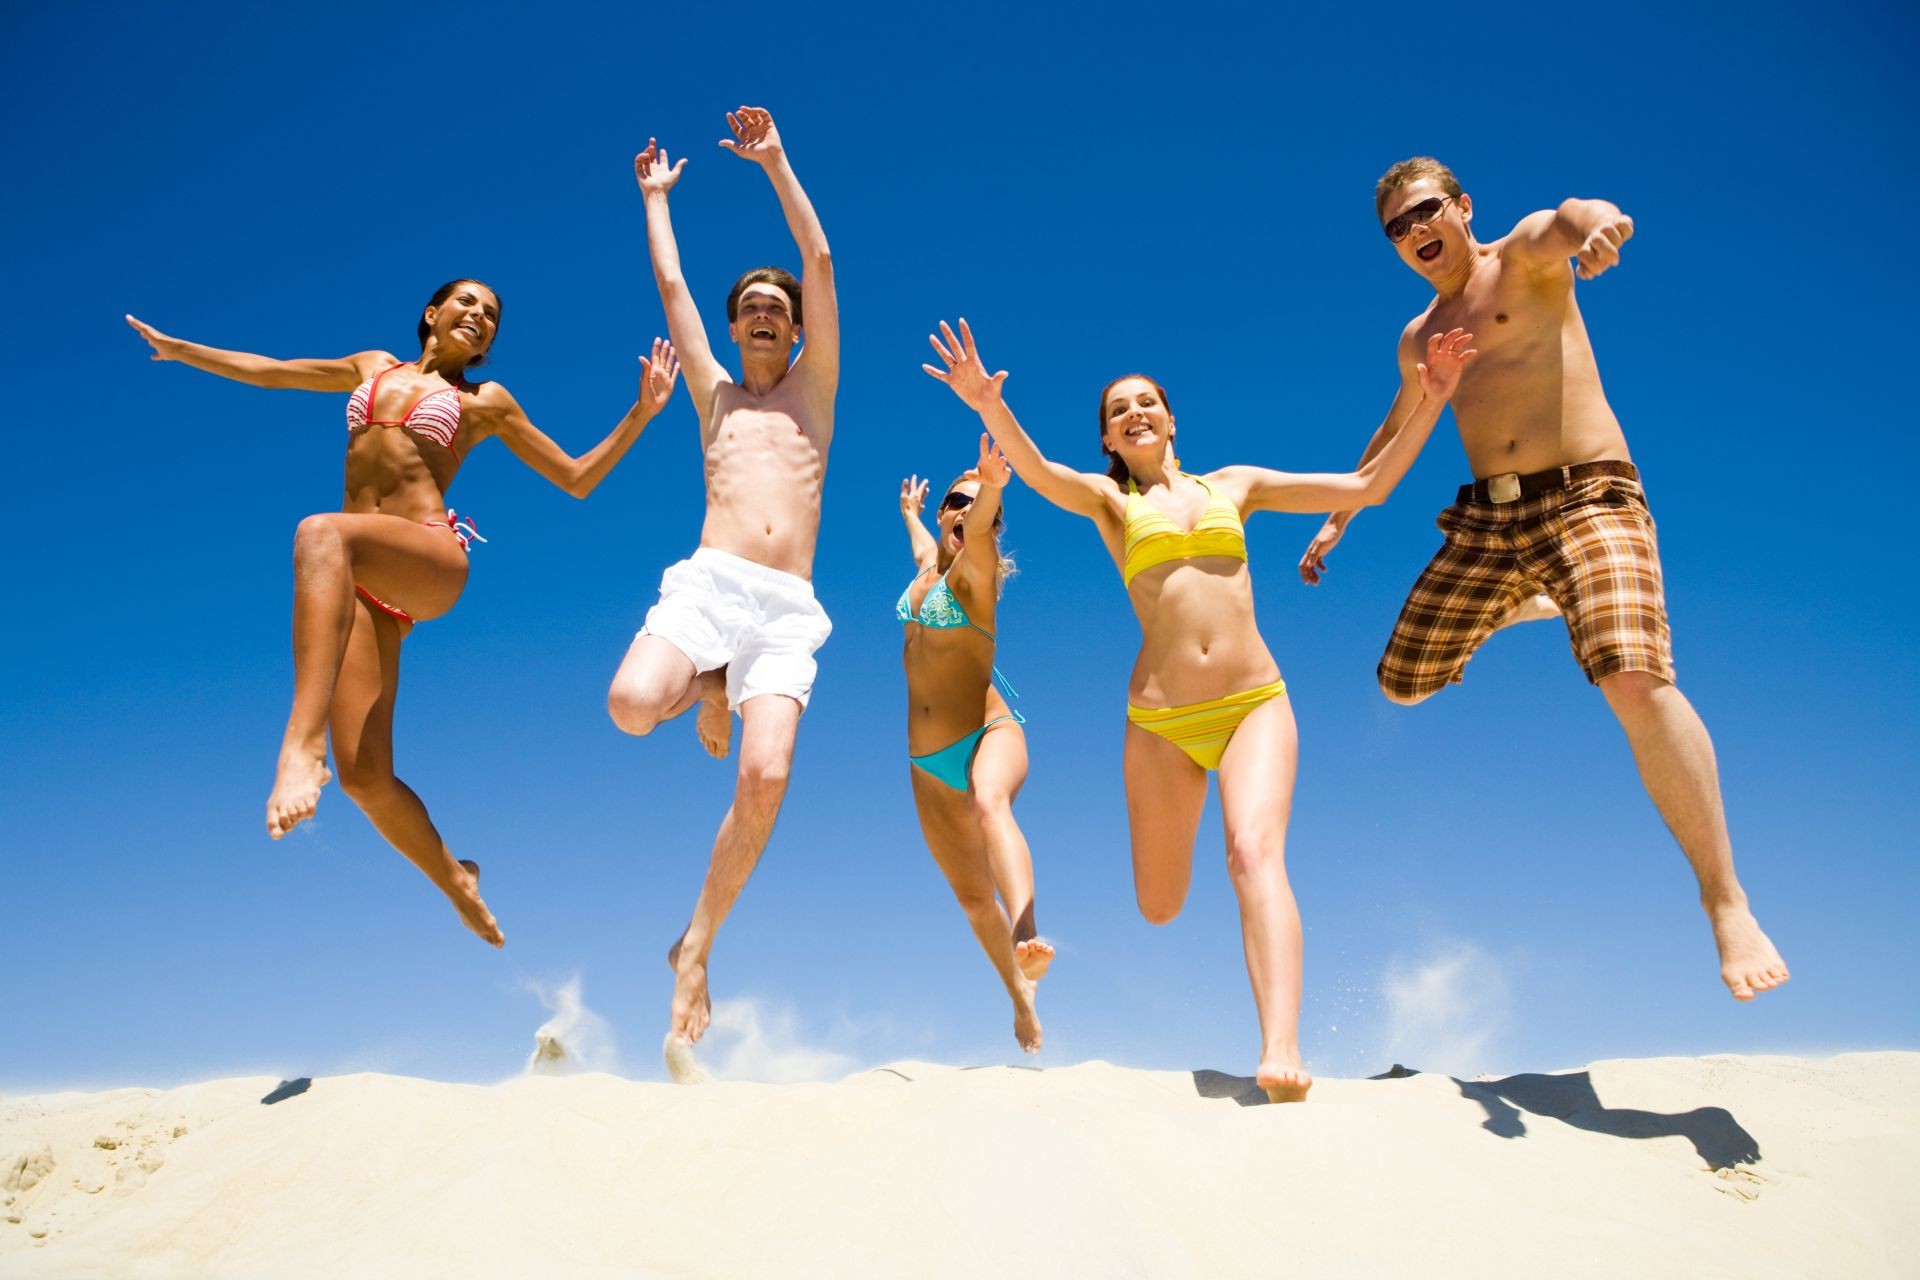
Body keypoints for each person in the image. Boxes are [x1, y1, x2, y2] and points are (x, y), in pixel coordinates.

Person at [926, 317, 1477, 1100]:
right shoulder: (1107, 502)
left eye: (1148, 401)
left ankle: (1282, 1048)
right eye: (1120, 410)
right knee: (1160, 903)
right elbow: (1042, 472)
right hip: (1160, 723)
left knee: (1253, 854)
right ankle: (1155, 926)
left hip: (1255, 702)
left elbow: (1368, 487)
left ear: (1172, 418)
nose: (1136, 413)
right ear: (1110, 438)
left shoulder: (1235, 485)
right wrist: (988, 404)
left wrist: (1431, 399)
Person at [1298, 157, 1789, 1001]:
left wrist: (1600, 224)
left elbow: (1571, 215)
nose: (1415, 233)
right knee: (1401, 684)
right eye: (1397, 228)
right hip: (1491, 523)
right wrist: (1342, 514)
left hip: (1587, 499)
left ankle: (1725, 899)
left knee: (1630, 679)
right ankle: (1530, 598)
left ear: (1461, 207)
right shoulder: (1420, 337)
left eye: (1425, 212)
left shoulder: (1522, 255)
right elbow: (1396, 424)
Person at [126, 285, 679, 946]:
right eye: (468, 303)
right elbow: (272, 371)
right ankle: (455, 878)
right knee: (364, 776)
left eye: (492, 316)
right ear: (432, 314)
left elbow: (577, 476)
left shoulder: (486, 401)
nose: (479, 316)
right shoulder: (371, 366)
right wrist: (181, 349)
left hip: (428, 558)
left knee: (319, 534)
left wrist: (642, 413)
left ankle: (299, 748)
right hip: (362, 585)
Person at [608, 108, 839, 1064]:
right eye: (747, 303)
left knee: (768, 772)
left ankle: (695, 945)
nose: (760, 311)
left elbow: (816, 260)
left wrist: (777, 162)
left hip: (785, 610)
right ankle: (706, 678)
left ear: (791, 330)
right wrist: (658, 200)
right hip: (712, 585)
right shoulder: (713, 396)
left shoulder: (812, 390)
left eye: (773, 307)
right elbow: (672, 287)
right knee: (629, 705)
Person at [897, 435, 1051, 1052]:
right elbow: (922, 554)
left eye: (976, 506)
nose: (964, 510)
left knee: (990, 799)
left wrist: (989, 489)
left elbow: (979, 525)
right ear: (941, 514)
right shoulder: (926, 572)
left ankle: (1028, 934)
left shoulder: (978, 570)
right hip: (928, 764)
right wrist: (911, 514)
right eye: (953, 502)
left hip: (990, 731)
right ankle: (1021, 1000)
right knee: (968, 898)